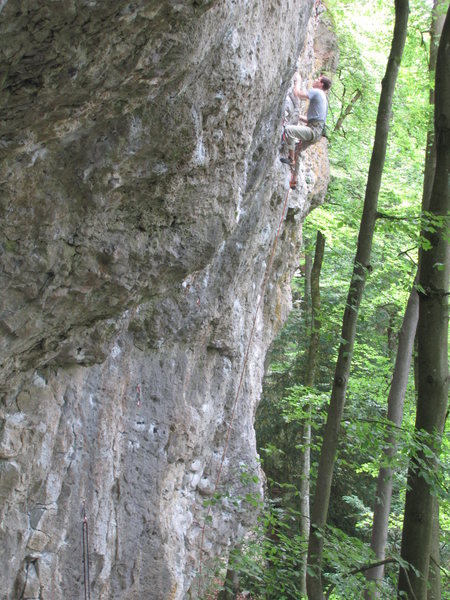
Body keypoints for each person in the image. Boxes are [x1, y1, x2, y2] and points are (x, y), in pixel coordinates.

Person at [281, 74, 332, 188]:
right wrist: (298, 116)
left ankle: (290, 159)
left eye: (318, 79)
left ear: (321, 84)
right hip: (316, 132)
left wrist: (297, 81)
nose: (315, 80)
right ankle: (293, 181)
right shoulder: (324, 97)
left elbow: (297, 94)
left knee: (289, 130)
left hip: (313, 131)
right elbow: (312, 119)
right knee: (298, 151)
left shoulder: (317, 92)